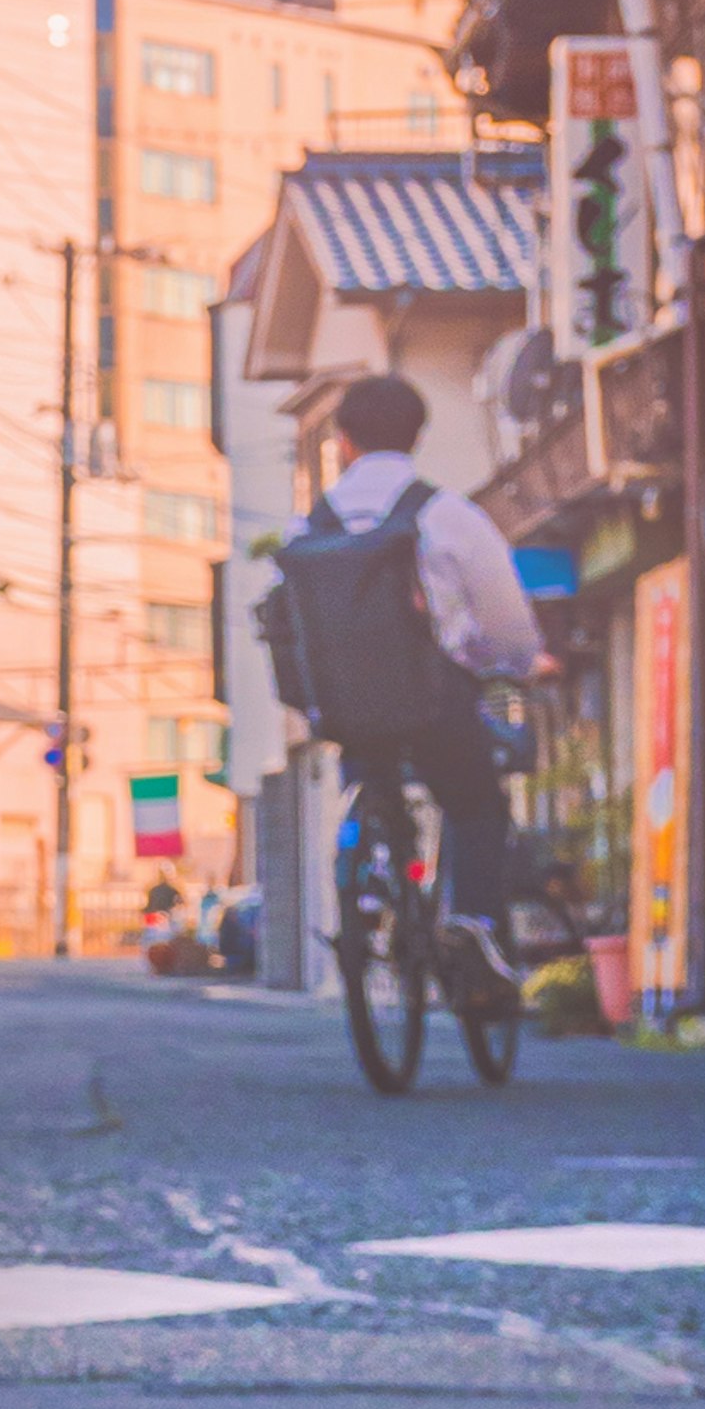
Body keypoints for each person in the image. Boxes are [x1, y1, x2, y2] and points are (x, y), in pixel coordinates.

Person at [293, 370, 551, 980]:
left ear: (343, 440)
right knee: (473, 804)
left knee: (370, 773)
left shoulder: (310, 527)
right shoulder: (446, 516)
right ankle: (474, 927)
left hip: (344, 708)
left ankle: (372, 879)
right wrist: (520, 664)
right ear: (416, 437)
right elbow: (507, 623)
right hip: (434, 700)